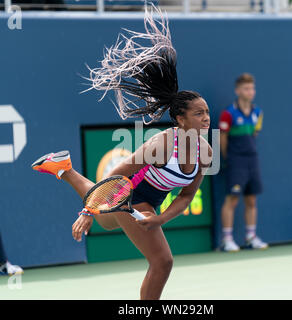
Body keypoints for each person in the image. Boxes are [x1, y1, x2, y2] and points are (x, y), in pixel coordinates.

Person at [31, 6, 212, 300]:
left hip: (148, 204)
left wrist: (160, 219)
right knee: (162, 261)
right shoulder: (162, 145)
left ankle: (63, 168)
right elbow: (116, 175)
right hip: (129, 195)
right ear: (180, 119)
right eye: (198, 113)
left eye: (207, 113)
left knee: (107, 221)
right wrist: (88, 210)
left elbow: (187, 196)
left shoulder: (205, 151)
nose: (206, 118)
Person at [218, 73, 268, 252]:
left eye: (252, 88)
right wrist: (228, 158)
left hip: (252, 160)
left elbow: (254, 134)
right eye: (246, 88)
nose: (250, 91)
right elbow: (222, 139)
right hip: (235, 160)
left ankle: (250, 237)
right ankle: (227, 239)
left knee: (252, 200)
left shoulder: (257, 112)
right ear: (238, 91)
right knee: (232, 200)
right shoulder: (228, 114)